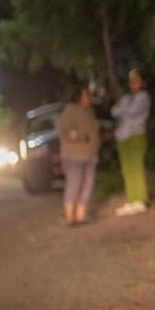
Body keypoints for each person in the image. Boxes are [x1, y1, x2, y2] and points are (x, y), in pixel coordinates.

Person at [56, 84, 100, 226]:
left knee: (87, 184)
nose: (88, 98)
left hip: (90, 155)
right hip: (73, 155)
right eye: (86, 95)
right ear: (78, 97)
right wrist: (79, 137)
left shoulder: (88, 112)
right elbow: (63, 130)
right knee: (74, 184)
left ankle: (81, 215)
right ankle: (69, 217)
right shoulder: (70, 111)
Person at [111, 68, 150, 216]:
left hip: (136, 135)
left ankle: (140, 199)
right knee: (127, 169)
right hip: (123, 137)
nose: (133, 83)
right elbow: (114, 111)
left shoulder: (143, 97)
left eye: (136, 80)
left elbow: (131, 112)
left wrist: (122, 110)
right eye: (131, 81)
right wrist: (123, 109)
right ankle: (132, 199)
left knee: (137, 167)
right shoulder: (127, 97)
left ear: (142, 82)